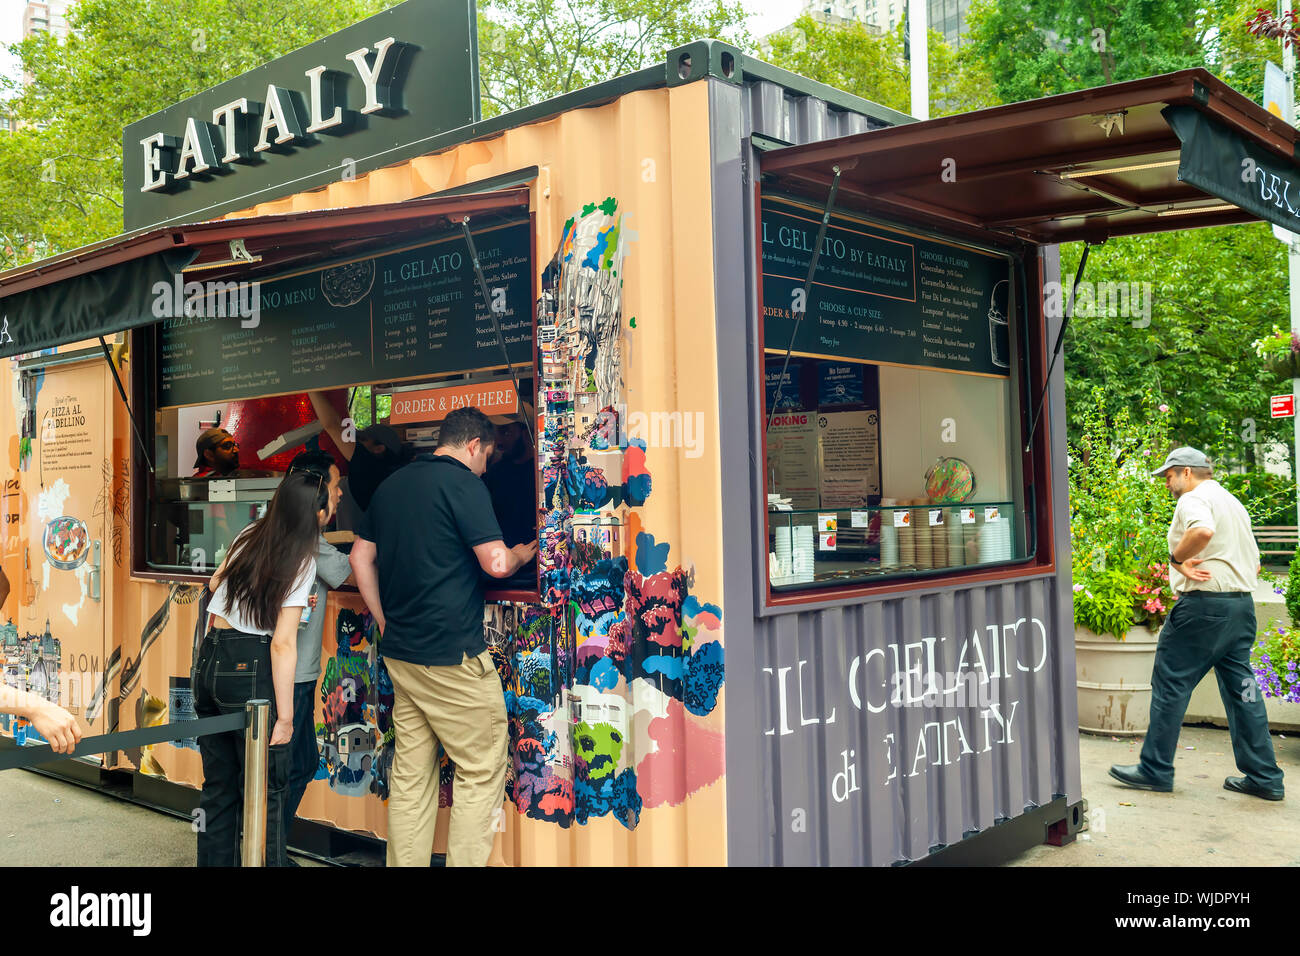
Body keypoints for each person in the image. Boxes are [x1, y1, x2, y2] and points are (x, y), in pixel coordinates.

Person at [350, 406, 538, 867]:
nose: (486, 467)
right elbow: (494, 564)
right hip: (453, 657)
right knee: (481, 769)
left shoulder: (392, 485)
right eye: (487, 457)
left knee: (413, 778)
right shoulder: (464, 484)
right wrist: (517, 554)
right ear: (473, 445)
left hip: (402, 656)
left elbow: (358, 559)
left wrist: (385, 620)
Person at [1110, 447, 1285, 801]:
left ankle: (1155, 769)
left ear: (1186, 472)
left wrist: (1177, 559)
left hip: (1204, 609)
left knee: (1171, 683)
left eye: (1169, 476)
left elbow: (1202, 532)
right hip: (1240, 609)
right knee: (1243, 693)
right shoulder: (1232, 503)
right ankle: (1265, 776)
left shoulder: (1194, 499)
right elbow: (1254, 564)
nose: (1167, 484)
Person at [193, 470, 328, 866]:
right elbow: (283, 643)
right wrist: (286, 717)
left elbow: (216, 584)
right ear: (315, 514)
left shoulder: (249, 535)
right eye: (330, 501)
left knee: (218, 788)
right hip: (249, 667)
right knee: (266, 791)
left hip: (211, 658)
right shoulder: (301, 558)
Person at [281, 451, 353, 838]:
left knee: (292, 764)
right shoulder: (307, 540)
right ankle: (269, 853)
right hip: (293, 673)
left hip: (285, 669)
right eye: (336, 484)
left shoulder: (272, 530)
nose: (340, 493)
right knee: (297, 764)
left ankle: (266, 850)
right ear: (317, 491)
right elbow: (348, 572)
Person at [308, 390, 403, 511]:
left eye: (362, 439)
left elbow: (332, 425)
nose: (356, 441)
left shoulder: (369, 465)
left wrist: (310, 386)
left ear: (379, 449)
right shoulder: (390, 473)